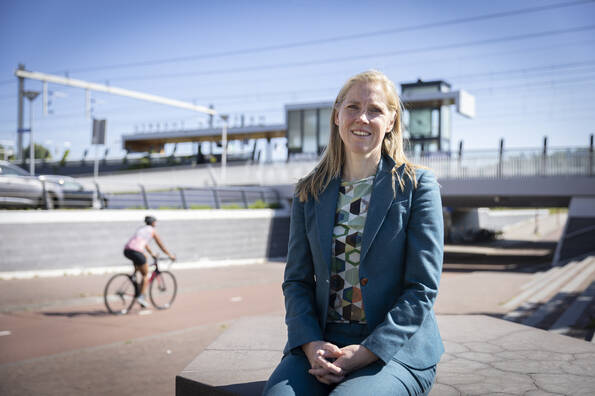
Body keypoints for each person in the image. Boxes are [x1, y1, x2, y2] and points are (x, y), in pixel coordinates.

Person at [263, 70, 444, 395]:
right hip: (322, 343)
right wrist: (310, 345)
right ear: (337, 116)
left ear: (390, 121)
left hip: (394, 349)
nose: (362, 117)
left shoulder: (417, 187)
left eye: (375, 109)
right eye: (352, 107)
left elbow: (421, 289)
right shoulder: (310, 191)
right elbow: (297, 281)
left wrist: (365, 353)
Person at [123, 215, 176, 307]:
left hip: (127, 250)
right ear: (153, 223)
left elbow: (145, 244)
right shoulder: (152, 231)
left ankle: (137, 288)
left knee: (143, 261)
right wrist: (169, 255)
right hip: (136, 251)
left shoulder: (141, 229)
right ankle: (140, 297)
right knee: (146, 275)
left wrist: (151, 253)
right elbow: (160, 244)